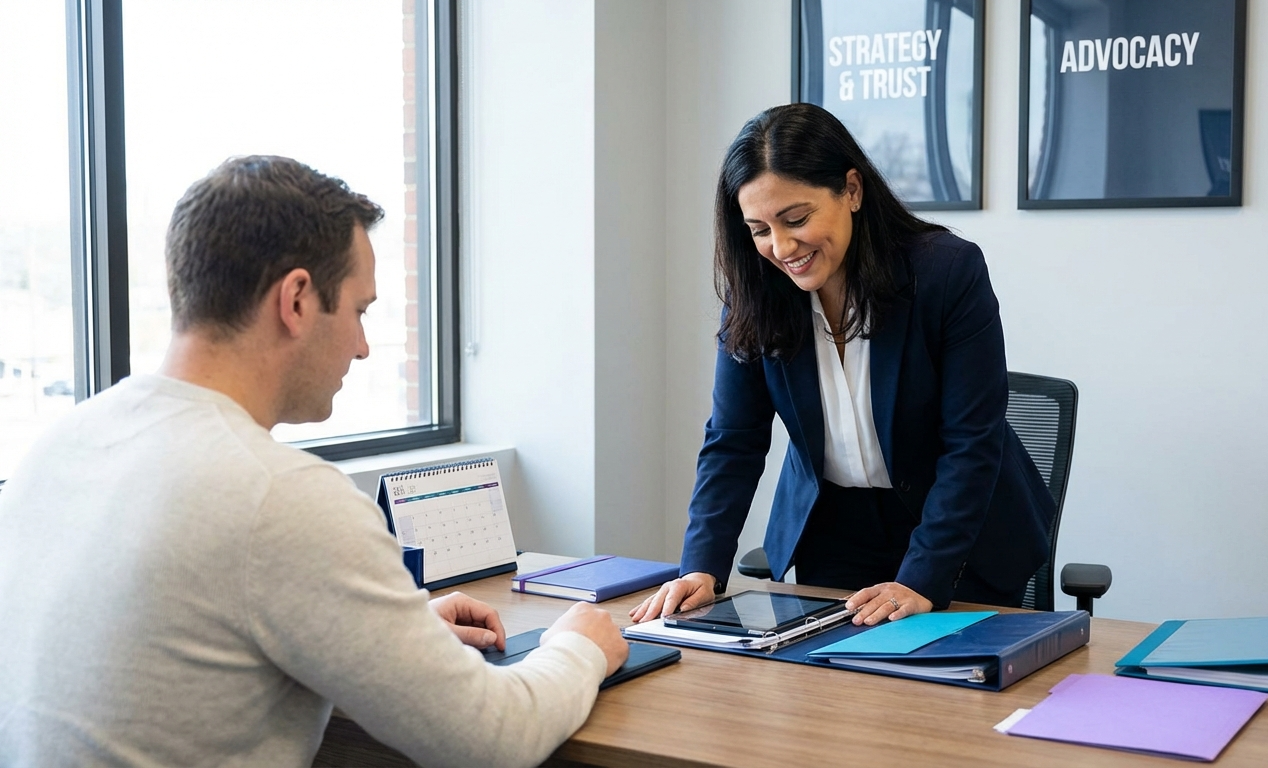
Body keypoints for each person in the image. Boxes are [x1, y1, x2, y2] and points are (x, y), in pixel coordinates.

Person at [0, 155, 628, 768]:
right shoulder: (280, 496)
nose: (360, 347)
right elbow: (497, 738)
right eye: (359, 311)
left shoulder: (59, 447)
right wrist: (579, 647)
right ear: (297, 299)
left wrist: (386, 637)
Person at [631, 104, 1055, 627]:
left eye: (796, 219)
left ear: (851, 190)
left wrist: (921, 578)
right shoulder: (756, 296)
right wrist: (701, 568)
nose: (782, 248)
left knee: (950, 694)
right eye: (759, 229)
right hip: (832, 532)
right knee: (827, 696)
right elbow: (732, 441)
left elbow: (971, 443)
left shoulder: (946, 272)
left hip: (957, 535)